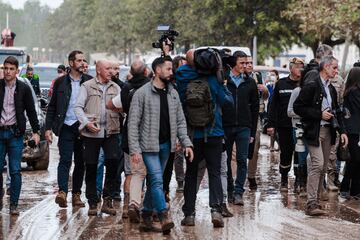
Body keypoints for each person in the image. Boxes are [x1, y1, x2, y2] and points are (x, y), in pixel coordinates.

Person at [128, 56, 193, 233]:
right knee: (156, 180)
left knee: (155, 182)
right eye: (169, 69)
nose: (172, 73)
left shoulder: (173, 94)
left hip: (167, 146)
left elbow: (180, 121)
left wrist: (186, 143)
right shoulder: (141, 93)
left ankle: (146, 216)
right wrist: (134, 149)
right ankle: (163, 215)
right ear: (157, 70)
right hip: (148, 147)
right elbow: (133, 123)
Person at [176, 49, 233, 228]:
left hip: (192, 136)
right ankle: (216, 210)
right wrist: (222, 83)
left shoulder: (183, 77)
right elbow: (227, 102)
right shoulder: (215, 79)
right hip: (214, 133)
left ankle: (189, 214)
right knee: (215, 172)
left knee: (191, 175)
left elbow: (181, 79)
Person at [293, 56, 348, 216]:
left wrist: (342, 131)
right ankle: (311, 204)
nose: (337, 71)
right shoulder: (311, 85)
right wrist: (319, 114)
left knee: (323, 167)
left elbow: (337, 111)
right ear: (325, 67)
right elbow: (298, 107)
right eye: (335, 68)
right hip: (314, 131)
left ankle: (316, 201)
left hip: (328, 131)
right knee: (317, 164)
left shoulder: (331, 88)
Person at [74, 60, 121, 216]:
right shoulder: (87, 86)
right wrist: (86, 123)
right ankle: (93, 202)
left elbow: (123, 108)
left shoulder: (116, 87)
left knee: (113, 164)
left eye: (112, 69)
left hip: (111, 131)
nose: (111, 71)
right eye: (107, 69)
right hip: (91, 133)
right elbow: (78, 107)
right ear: (99, 70)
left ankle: (107, 200)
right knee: (92, 167)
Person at [45, 50, 92, 208]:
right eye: (79, 60)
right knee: (65, 160)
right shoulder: (61, 82)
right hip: (66, 126)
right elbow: (52, 107)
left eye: (83, 60)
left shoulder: (89, 82)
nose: (82, 63)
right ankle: (62, 192)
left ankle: (77, 194)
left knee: (81, 162)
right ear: (71, 63)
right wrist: (48, 128)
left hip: (83, 128)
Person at [0, 56, 40, 215]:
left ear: (17, 71)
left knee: (15, 170)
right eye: (5, 68)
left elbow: (31, 111)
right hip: (0, 132)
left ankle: (14, 204)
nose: (8, 71)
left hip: (15, 133)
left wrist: (36, 132)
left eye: (11, 69)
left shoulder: (23, 88)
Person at [222, 51, 259, 205]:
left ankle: (239, 192)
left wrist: (252, 131)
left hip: (244, 126)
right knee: (226, 160)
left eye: (247, 63)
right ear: (234, 64)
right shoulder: (224, 80)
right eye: (242, 63)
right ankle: (230, 189)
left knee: (242, 159)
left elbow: (255, 108)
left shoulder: (250, 82)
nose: (245, 66)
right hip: (226, 126)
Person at [267, 57, 304, 192]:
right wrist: (270, 124)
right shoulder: (281, 84)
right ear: (290, 68)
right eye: (297, 66)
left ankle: (298, 180)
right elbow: (273, 106)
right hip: (284, 126)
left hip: (300, 126)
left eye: (301, 66)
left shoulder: (304, 84)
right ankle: (284, 179)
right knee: (286, 153)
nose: (300, 69)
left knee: (299, 153)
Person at [119, 60, 149, 223]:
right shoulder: (150, 86)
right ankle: (145, 206)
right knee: (149, 173)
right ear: (146, 72)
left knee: (131, 173)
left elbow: (124, 108)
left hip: (129, 134)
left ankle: (127, 206)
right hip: (149, 135)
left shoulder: (125, 87)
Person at [246, 55, 268, 190]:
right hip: (242, 118)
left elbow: (264, 97)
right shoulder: (236, 78)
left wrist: (265, 91)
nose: (248, 65)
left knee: (255, 148)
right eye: (245, 62)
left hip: (256, 117)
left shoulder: (257, 76)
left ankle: (251, 175)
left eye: (250, 62)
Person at [342, 67, 360, 198]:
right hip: (353, 130)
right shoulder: (354, 91)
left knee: (355, 160)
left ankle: (353, 190)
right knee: (355, 159)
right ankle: (348, 188)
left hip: (354, 129)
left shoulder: (351, 90)